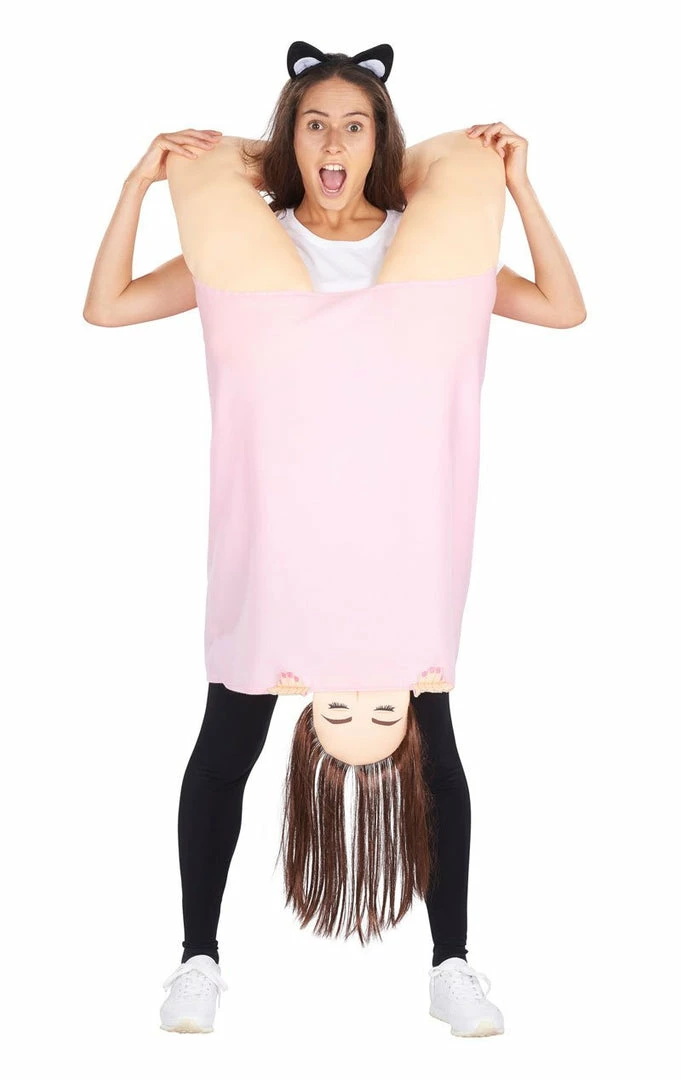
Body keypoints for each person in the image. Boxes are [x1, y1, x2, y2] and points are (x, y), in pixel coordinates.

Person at [83, 40, 586, 1039]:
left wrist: (521, 188)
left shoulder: (429, 247)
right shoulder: (248, 245)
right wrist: (138, 184)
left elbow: (564, 310)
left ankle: (452, 965)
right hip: (273, 546)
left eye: (354, 126)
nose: (334, 143)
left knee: (435, 747)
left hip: (404, 544)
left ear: (377, 143)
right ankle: (195, 959)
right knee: (226, 741)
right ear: (292, 139)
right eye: (315, 124)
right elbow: (107, 308)